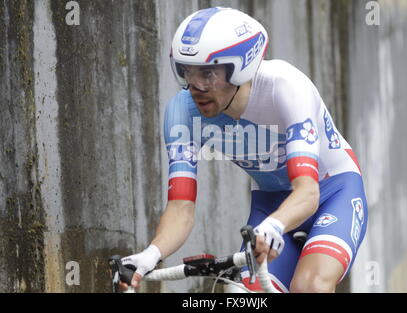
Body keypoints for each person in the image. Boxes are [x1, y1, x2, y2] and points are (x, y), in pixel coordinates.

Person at [119, 7, 368, 293]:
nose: (195, 86)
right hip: (271, 202)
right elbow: (181, 207)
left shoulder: (285, 87)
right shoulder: (182, 112)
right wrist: (151, 254)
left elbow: (308, 193)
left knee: (309, 286)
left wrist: (275, 226)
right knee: (242, 296)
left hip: (332, 192)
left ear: (241, 67)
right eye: (187, 72)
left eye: (208, 73)